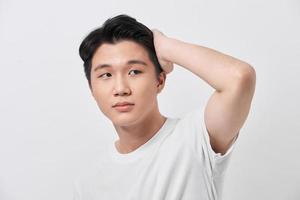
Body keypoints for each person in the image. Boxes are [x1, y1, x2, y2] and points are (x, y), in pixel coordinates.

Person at [74, 14, 256, 200]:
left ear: (159, 81)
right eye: (106, 75)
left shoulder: (195, 138)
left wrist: (166, 47)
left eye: (134, 71)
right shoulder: (89, 183)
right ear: (92, 89)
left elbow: (240, 78)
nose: (120, 88)